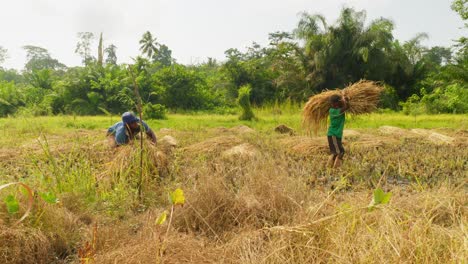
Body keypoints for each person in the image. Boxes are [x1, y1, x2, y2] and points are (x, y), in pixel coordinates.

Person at [327, 94, 348, 168]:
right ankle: (335, 169)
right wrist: (344, 100)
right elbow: (346, 107)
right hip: (334, 135)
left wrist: (342, 100)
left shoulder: (332, 110)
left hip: (334, 135)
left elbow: (344, 108)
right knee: (340, 152)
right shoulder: (334, 111)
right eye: (338, 102)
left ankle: (329, 168)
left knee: (335, 153)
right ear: (336, 103)